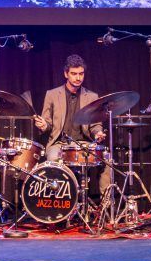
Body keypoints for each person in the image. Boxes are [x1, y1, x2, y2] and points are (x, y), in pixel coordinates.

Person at [34, 54, 109, 197]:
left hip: (83, 144)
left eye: (81, 74)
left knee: (106, 158)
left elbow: (95, 125)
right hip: (59, 144)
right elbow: (47, 123)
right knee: (53, 160)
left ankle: (106, 203)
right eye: (74, 74)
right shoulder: (52, 94)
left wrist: (98, 133)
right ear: (66, 74)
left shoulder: (92, 96)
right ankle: (59, 202)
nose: (78, 78)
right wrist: (43, 126)